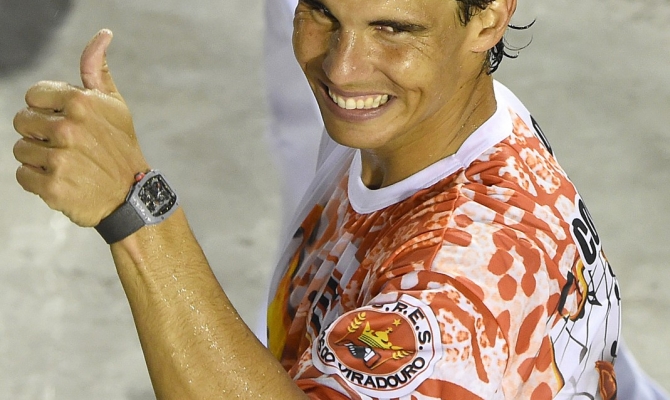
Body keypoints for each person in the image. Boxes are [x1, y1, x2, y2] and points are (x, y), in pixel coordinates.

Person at [7, 0, 660, 398]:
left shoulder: (463, 291)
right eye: (321, 11)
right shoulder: (421, 124)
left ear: (488, 16)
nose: (343, 69)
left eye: (392, 28)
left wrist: (136, 209)